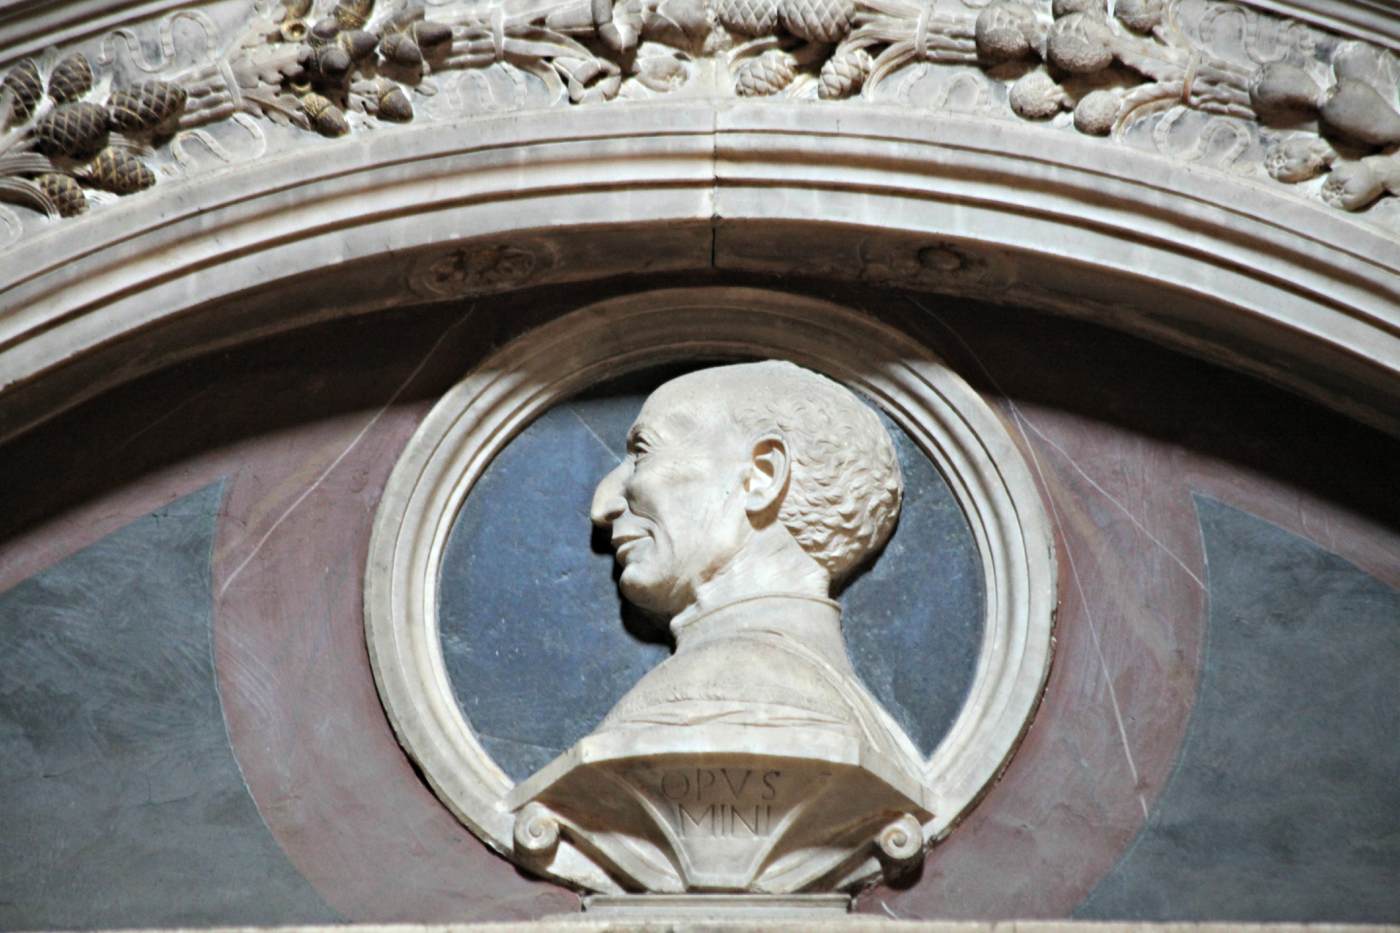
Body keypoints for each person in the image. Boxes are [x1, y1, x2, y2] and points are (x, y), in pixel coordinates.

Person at [586, 360, 922, 779]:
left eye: (642, 453)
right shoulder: (849, 706)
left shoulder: (711, 698)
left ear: (762, 476)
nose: (604, 505)